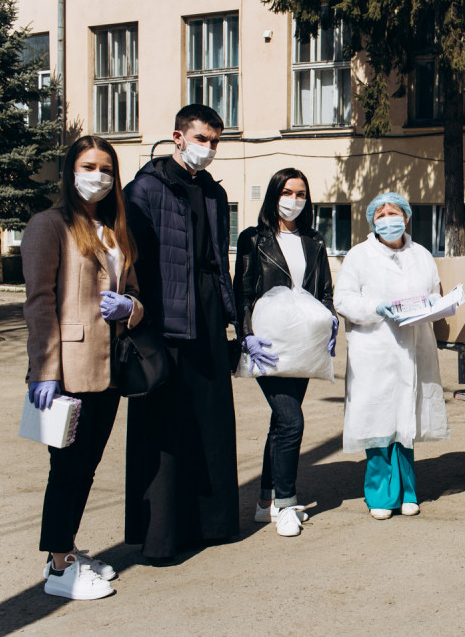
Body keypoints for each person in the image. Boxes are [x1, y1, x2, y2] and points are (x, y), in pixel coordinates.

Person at [23, 135, 144, 599]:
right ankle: (59, 567)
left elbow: (134, 290)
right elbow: (39, 302)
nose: (98, 176)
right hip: (68, 368)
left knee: (87, 467)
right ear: (71, 171)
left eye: (106, 169)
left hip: (109, 368)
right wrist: (44, 370)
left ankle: (67, 549)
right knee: (68, 470)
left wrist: (130, 307)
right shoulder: (49, 225)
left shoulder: (114, 229)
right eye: (89, 166)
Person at [123, 104, 240, 560]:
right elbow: (134, 258)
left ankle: (211, 525)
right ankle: (162, 537)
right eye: (201, 139)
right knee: (166, 429)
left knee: (210, 422)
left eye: (215, 141)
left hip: (207, 318)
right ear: (178, 137)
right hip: (165, 321)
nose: (208, 148)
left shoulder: (213, 192)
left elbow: (217, 258)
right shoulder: (145, 188)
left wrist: (231, 316)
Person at [232, 168, 337, 537]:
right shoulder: (253, 239)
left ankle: (265, 502)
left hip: (304, 347)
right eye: (287, 192)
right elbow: (243, 292)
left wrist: (330, 321)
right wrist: (246, 335)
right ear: (274, 195)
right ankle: (286, 503)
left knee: (281, 423)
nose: (294, 200)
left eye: (301, 193)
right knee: (292, 421)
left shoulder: (314, 240)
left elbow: (325, 291)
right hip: (268, 345)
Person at [334, 192, 449, 520]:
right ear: (372, 221)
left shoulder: (422, 255)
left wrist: (435, 303)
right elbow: (343, 300)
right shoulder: (359, 256)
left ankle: (408, 492)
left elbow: (434, 292)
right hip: (375, 350)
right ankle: (380, 495)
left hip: (414, 347)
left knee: (406, 421)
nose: (388, 220)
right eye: (381, 215)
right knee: (378, 422)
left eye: (394, 213)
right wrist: (376, 308)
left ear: (406, 217)